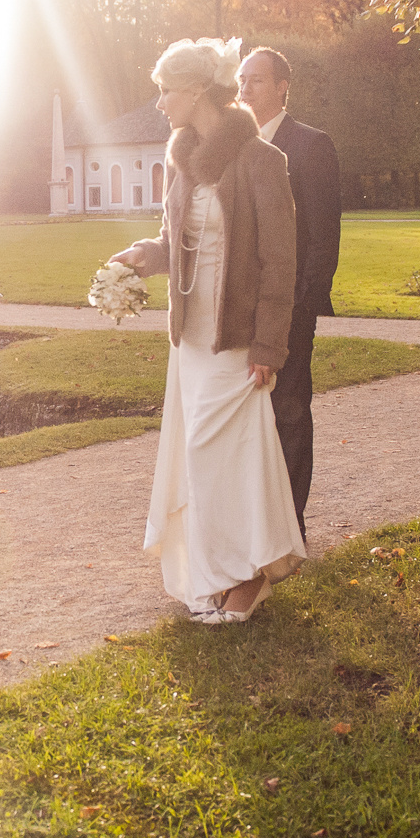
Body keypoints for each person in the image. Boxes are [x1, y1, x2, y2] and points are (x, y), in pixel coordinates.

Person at [112, 38, 306, 625]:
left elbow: (281, 261)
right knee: (203, 460)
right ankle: (222, 575)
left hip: (238, 337)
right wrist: (147, 254)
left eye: (167, 89)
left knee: (223, 456)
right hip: (190, 339)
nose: (160, 101)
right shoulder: (183, 158)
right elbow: (180, 242)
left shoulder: (260, 162)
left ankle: (247, 579)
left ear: (196, 90)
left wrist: (271, 344)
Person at [235, 46, 342, 537]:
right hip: (241, 310)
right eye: (241, 79)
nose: (245, 88)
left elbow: (323, 237)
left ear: (282, 87)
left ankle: (291, 527)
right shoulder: (234, 148)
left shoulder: (309, 146)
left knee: (290, 410)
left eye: (256, 80)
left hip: (291, 306)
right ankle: (255, 521)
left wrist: (302, 305)